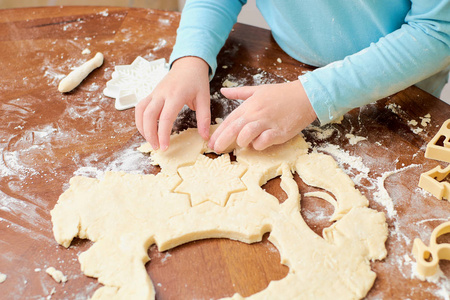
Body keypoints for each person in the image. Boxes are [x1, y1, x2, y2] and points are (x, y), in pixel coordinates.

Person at [135, 0, 450, 153]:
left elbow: (437, 32)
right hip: (284, 64)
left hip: (396, 95)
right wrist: (191, 58)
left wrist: (313, 95)